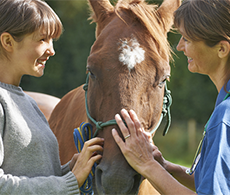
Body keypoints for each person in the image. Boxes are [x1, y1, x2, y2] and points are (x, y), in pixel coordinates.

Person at [112, 0, 230, 194]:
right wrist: (165, 167)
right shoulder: (224, 103)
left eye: (187, 39)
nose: (180, 46)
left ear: (222, 49)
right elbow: (215, 182)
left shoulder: (225, 117)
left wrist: (147, 165)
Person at [0, 0, 103, 194]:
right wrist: (70, 181)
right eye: (42, 39)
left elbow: (36, 174)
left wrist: (70, 169)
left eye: (52, 40)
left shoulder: (27, 102)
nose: (52, 50)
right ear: (7, 42)